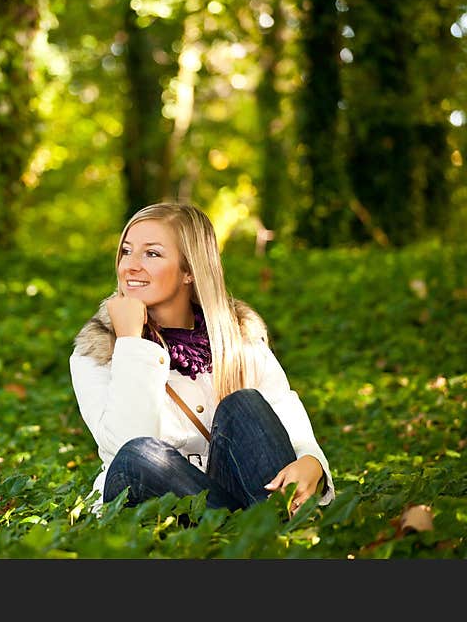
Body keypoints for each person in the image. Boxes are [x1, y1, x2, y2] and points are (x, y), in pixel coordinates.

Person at [69, 202, 334, 516]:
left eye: (151, 254)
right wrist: (130, 342)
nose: (130, 266)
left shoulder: (239, 338)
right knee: (137, 455)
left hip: (242, 491)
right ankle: (255, 532)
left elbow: (284, 412)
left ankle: (253, 531)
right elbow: (126, 444)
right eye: (126, 251)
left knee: (245, 403)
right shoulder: (99, 351)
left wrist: (311, 460)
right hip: (155, 503)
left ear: (189, 271)